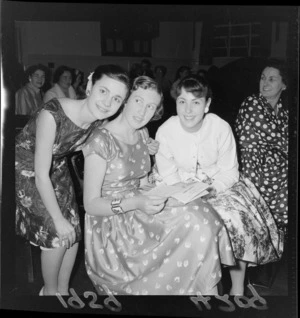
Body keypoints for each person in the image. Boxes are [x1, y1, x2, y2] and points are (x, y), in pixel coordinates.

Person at [82, 76, 236, 296]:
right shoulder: (100, 140)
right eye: (138, 101)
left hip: (139, 210)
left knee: (202, 217)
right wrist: (138, 202)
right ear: (125, 100)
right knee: (195, 221)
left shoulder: (142, 133)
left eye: (150, 106)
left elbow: (143, 183)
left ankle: (205, 293)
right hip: (112, 225)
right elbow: (91, 205)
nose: (142, 111)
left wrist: (168, 194)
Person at [154, 74, 283, 295]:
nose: (188, 110)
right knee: (181, 223)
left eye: (196, 102)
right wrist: (185, 192)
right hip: (178, 186)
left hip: (219, 184)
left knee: (236, 221)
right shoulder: (166, 130)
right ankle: (191, 285)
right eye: (182, 102)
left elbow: (230, 171)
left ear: (207, 105)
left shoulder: (220, 127)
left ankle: (238, 288)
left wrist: (212, 189)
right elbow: (168, 173)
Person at [15, 64, 132, 296]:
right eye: (103, 91)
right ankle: (49, 293)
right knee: (59, 233)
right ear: (89, 86)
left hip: (56, 166)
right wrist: (57, 219)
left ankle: (63, 291)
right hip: (26, 169)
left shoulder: (98, 120)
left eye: (117, 99)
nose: (108, 102)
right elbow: (40, 174)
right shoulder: (52, 114)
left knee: (73, 235)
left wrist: (145, 142)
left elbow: (124, 131)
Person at [235, 58, 288, 233]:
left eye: (271, 79)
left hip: (273, 168)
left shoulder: (284, 111)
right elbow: (281, 140)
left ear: (284, 85)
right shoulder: (252, 104)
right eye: (263, 78)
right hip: (252, 166)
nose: (265, 82)